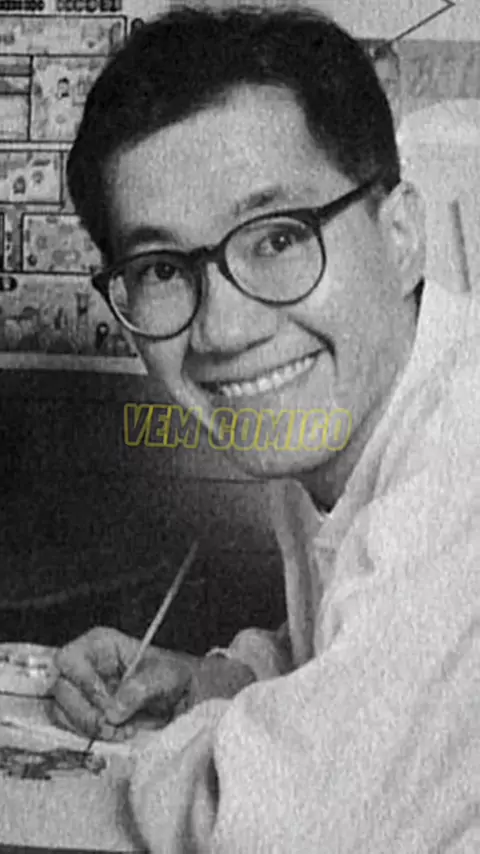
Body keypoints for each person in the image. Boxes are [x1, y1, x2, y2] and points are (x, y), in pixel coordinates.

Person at [51, 6, 479, 852]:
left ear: (401, 237)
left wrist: (199, 739)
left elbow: (270, 829)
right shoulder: (342, 411)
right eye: (162, 268)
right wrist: (218, 677)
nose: (224, 329)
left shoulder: (462, 465)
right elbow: (362, 617)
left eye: (279, 238)